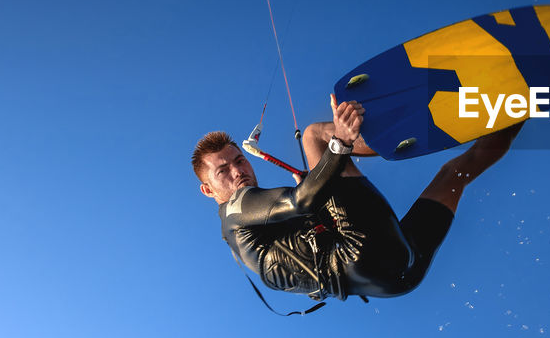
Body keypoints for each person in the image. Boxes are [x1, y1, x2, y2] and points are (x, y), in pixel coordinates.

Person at [193, 94, 522, 303]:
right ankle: (425, 133)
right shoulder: (237, 207)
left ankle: (524, 105)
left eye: (239, 160)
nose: (237, 172)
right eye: (222, 171)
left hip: (398, 277)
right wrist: (340, 143)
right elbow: (300, 202)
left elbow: (304, 257)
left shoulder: (246, 237)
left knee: (456, 174)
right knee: (314, 136)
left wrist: (319, 194)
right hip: (361, 251)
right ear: (207, 189)